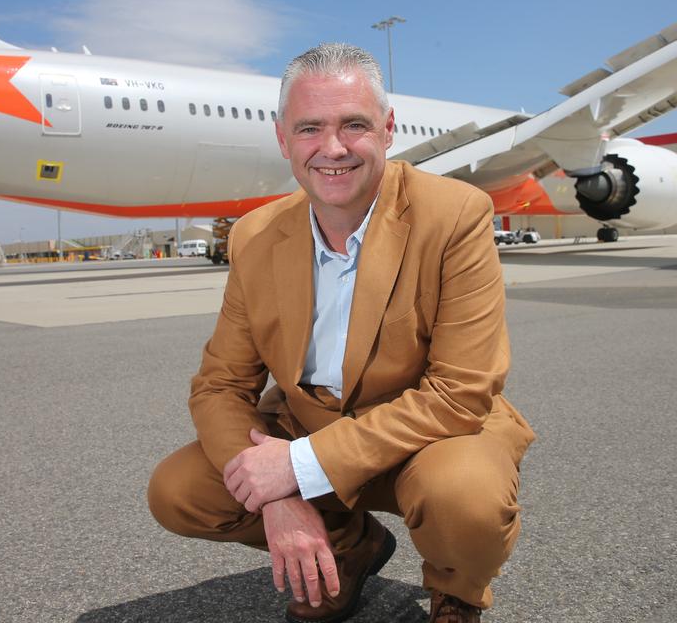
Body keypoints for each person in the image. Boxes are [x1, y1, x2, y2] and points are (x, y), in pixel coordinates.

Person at [148, 43, 535, 623]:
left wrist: (299, 467)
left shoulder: (455, 214)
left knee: (464, 499)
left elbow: (460, 392)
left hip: (429, 434)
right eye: (309, 128)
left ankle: (456, 591)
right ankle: (350, 550)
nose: (332, 148)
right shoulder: (255, 236)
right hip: (309, 423)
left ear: (388, 129)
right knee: (179, 489)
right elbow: (220, 386)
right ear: (284, 140)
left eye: (354, 124)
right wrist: (279, 494)